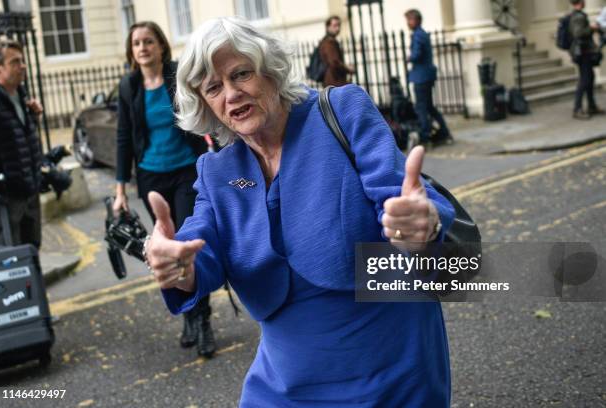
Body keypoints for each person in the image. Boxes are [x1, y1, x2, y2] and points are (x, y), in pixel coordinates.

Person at [145, 17, 456, 406]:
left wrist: (419, 224)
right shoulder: (218, 171)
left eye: (241, 74)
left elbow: (402, 196)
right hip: (285, 385)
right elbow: (201, 244)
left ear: (271, 71)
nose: (231, 94)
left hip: (389, 371)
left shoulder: (342, 111)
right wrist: (180, 266)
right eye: (213, 88)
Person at [113, 21, 216, 357]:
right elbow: (124, 138)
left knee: (186, 243)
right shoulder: (129, 87)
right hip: (151, 177)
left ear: (160, 46)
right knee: (166, 245)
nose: (142, 47)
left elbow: (200, 111)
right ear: (132, 51)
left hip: (186, 171)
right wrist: (120, 190)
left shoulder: (177, 75)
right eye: (137, 43)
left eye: (148, 41)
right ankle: (187, 312)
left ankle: (203, 321)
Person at [0, 39, 43, 248]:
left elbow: (19, 141)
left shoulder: (22, 96)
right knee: (10, 261)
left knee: (31, 252)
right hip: (7, 199)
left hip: (30, 192)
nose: (22, 66)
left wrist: (34, 119)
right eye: (15, 62)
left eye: (22, 61)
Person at [405, 9, 453, 146]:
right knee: (429, 106)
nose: (408, 23)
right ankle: (444, 132)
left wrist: (410, 58)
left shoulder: (418, 35)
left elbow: (417, 54)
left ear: (417, 20)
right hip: (427, 75)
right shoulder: (422, 34)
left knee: (421, 107)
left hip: (422, 77)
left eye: (410, 20)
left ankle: (425, 137)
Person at [569, 0, 604, 120]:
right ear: (580, 2)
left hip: (584, 52)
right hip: (583, 53)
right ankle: (577, 109)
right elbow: (578, 33)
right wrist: (591, 28)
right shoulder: (578, 16)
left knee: (590, 78)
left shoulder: (577, 15)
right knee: (584, 80)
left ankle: (591, 106)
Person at [319, 15, 355, 87]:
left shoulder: (329, 41)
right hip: (334, 81)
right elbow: (334, 62)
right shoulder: (329, 43)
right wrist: (348, 68)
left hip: (334, 81)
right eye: (335, 25)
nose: (338, 28)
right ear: (328, 27)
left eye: (339, 25)